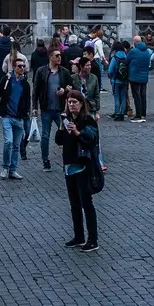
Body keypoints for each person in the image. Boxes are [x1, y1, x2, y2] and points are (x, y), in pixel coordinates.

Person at [57, 91, 100, 252]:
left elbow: (92, 139)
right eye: (69, 102)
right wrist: (62, 128)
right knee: (74, 204)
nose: (72, 105)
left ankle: (93, 239)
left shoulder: (87, 120)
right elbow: (59, 141)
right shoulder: (68, 120)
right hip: (69, 166)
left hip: (83, 167)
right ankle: (79, 236)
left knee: (86, 204)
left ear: (81, 104)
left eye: (75, 102)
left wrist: (78, 133)